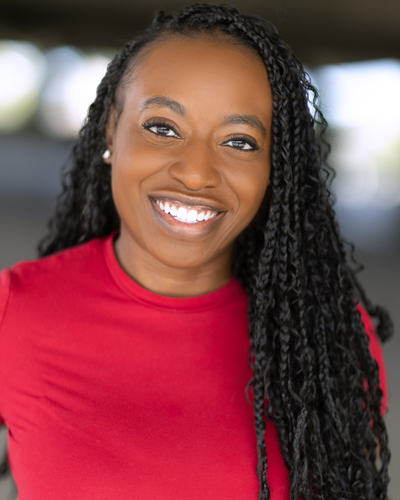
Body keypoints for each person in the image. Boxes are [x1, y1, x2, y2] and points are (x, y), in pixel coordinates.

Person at [0, 3, 393, 500]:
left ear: (274, 169)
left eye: (240, 141)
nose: (196, 173)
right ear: (111, 129)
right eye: (163, 127)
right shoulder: (16, 310)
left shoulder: (327, 337)